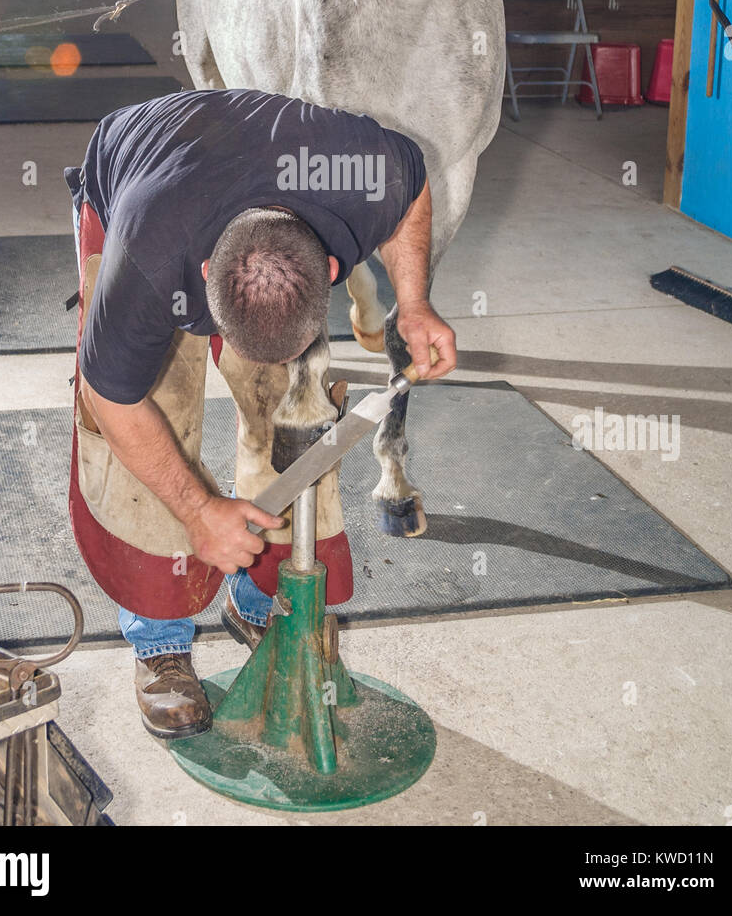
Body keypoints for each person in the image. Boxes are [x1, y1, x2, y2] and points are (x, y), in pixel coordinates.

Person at [65, 87, 455, 737]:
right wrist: (197, 511)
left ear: (329, 266)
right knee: (152, 408)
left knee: (294, 406)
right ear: (204, 275)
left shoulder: (363, 172)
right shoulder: (149, 253)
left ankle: (256, 601)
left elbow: (414, 188)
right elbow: (112, 396)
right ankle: (159, 642)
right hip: (140, 170)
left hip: (246, 178)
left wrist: (412, 303)